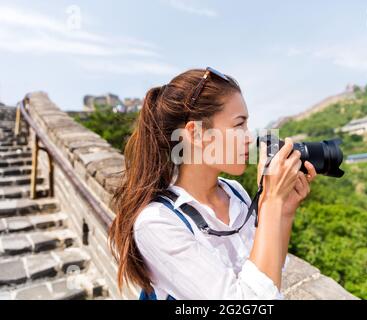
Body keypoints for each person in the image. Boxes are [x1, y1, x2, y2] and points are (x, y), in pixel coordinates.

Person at [108, 67, 317, 300]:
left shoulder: (235, 193)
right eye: (239, 125)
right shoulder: (157, 222)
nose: (249, 137)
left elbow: (270, 274)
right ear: (196, 134)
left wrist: (284, 211)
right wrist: (270, 202)